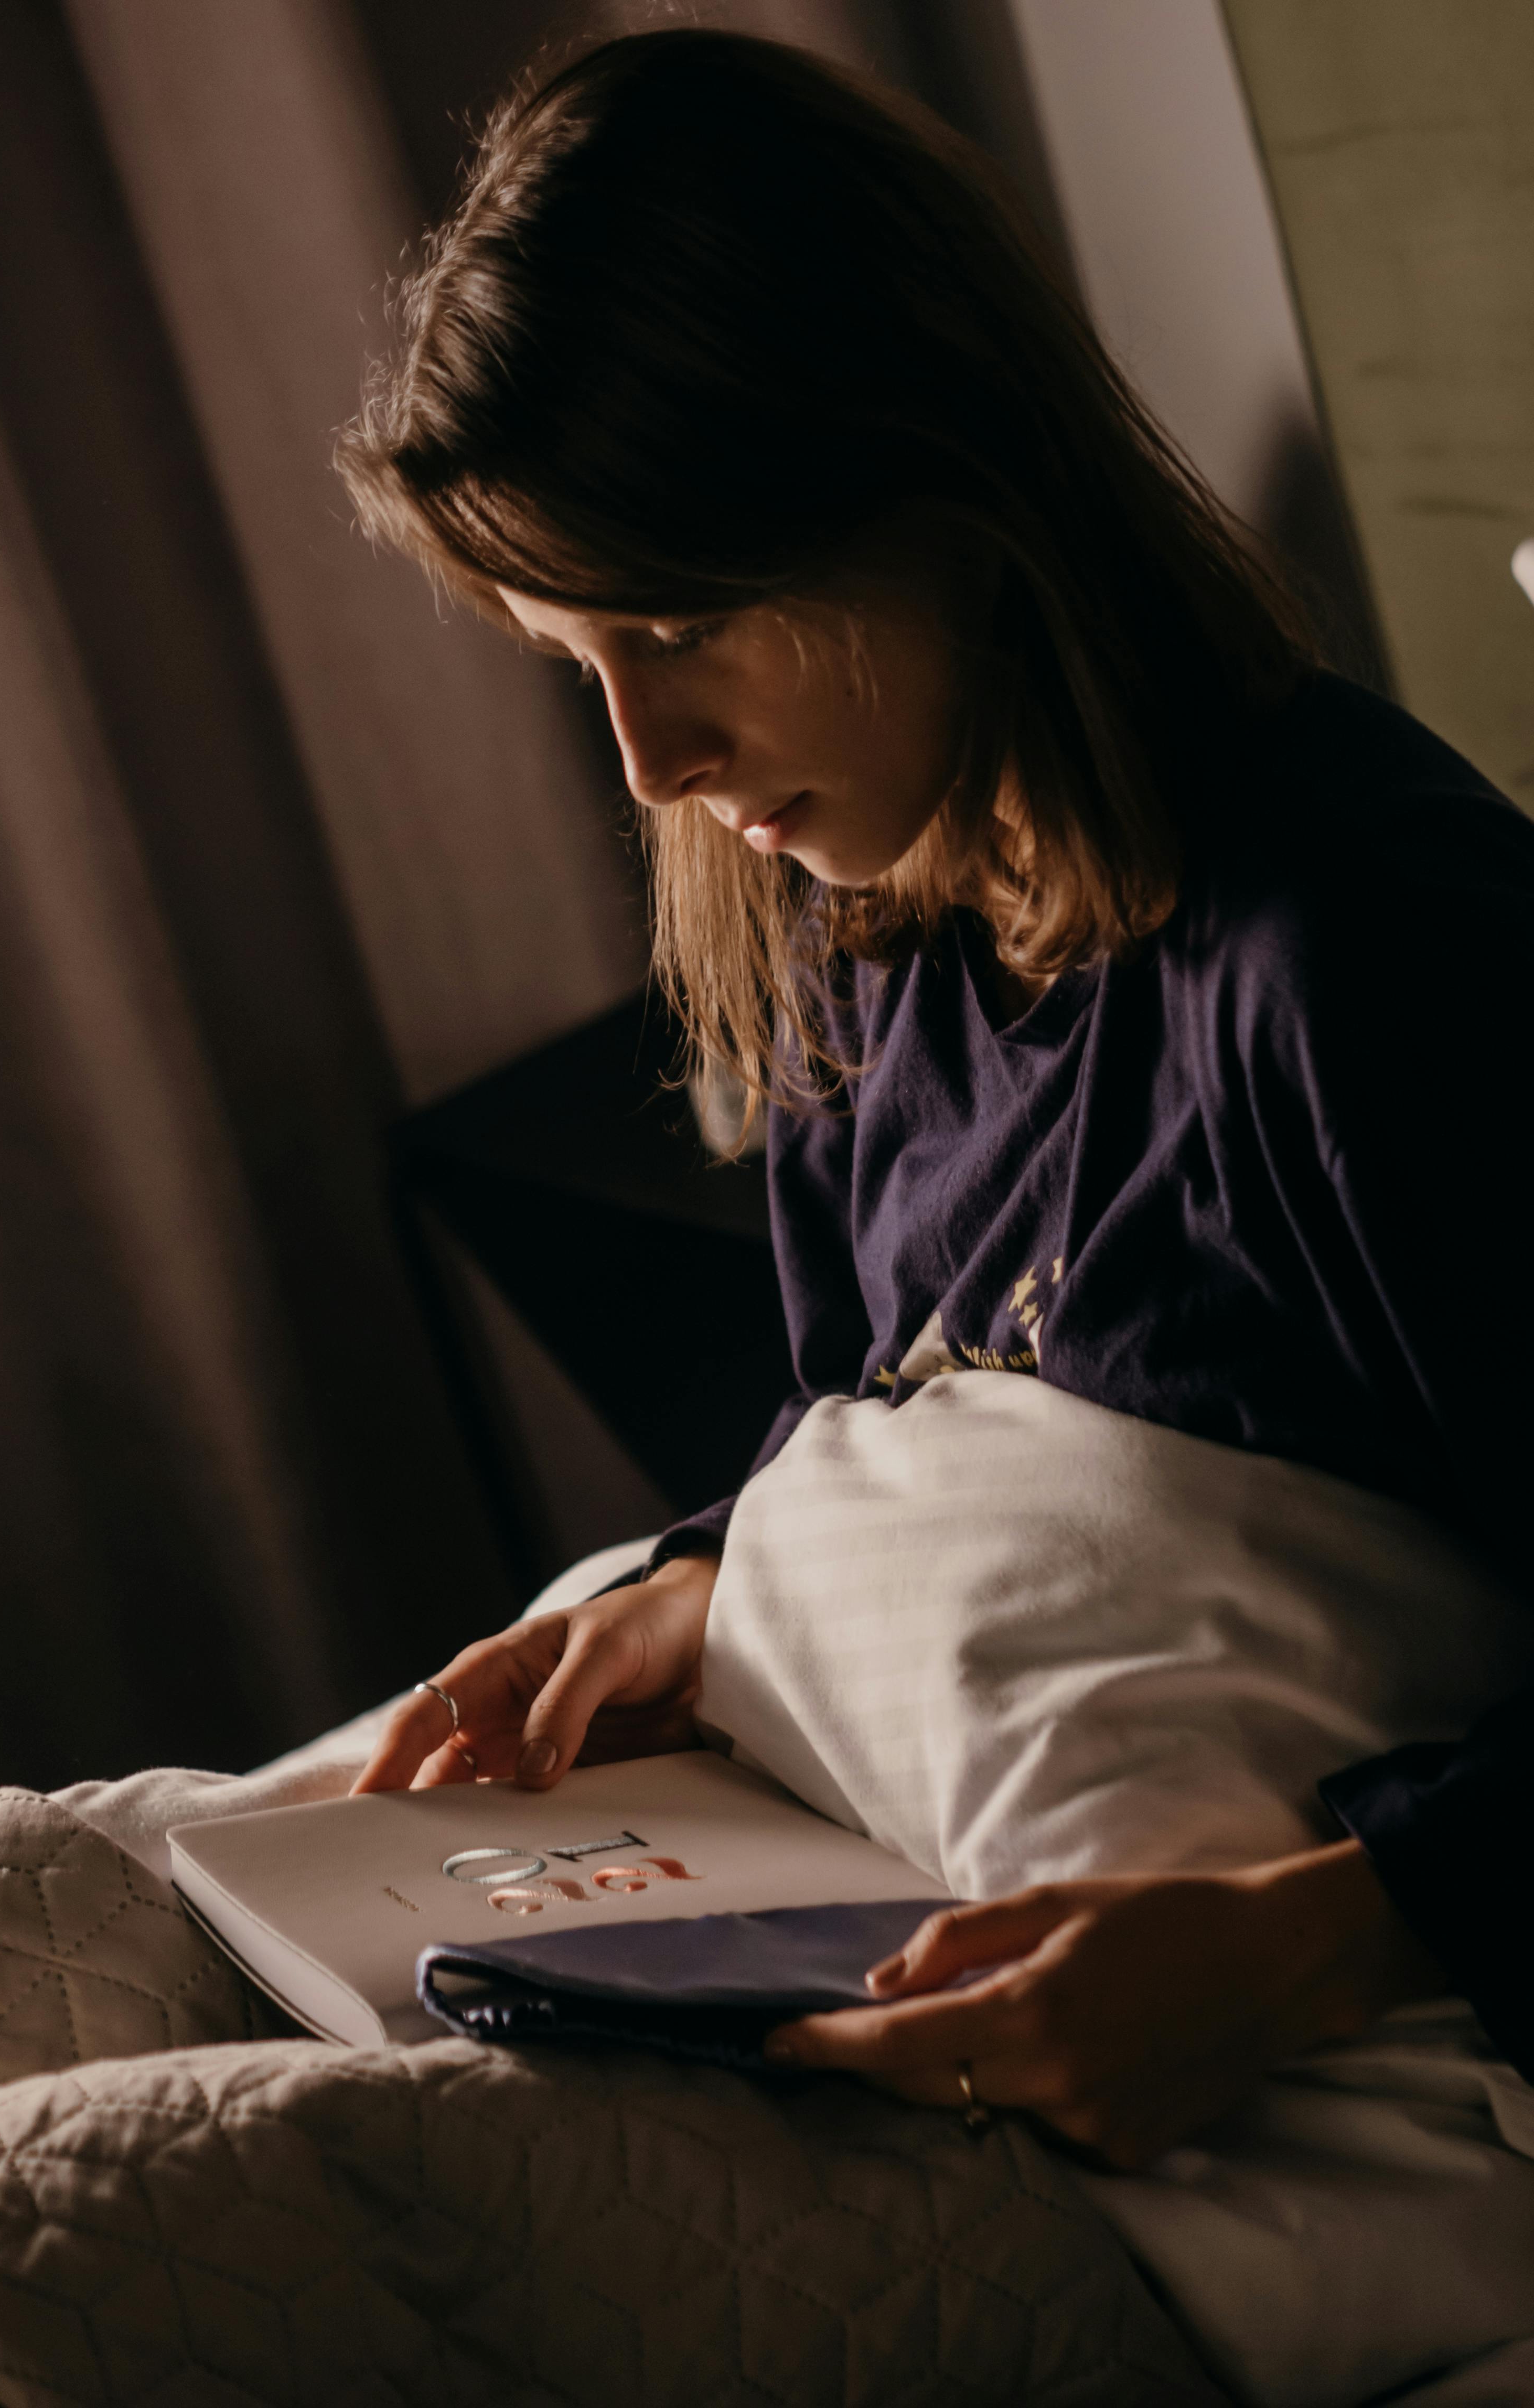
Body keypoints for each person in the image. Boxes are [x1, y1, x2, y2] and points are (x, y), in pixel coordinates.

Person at [337, 27, 1534, 2176]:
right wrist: (710, 1585)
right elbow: (926, 1456)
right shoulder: (876, 950)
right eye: (575, 654)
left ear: (942, 487)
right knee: (25, 1895)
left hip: (1256, 2062)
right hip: (882, 1897)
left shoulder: (1365, 952)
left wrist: (1301, 1944)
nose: (646, 763)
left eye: (682, 620)